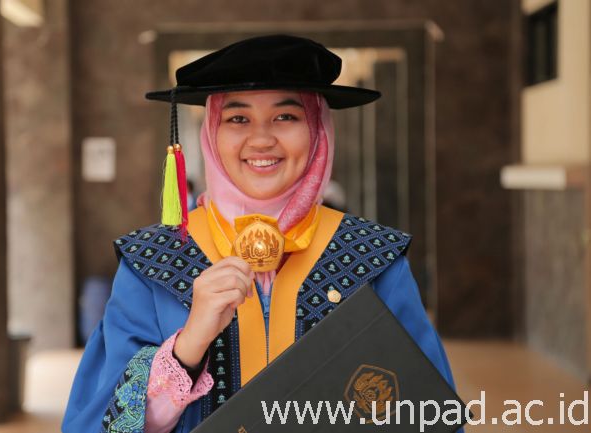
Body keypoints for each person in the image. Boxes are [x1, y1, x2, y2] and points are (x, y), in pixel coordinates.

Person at [62, 34, 460, 433]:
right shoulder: (152, 262)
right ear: (212, 133)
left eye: (286, 116)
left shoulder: (372, 257)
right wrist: (187, 348)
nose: (262, 139)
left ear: (317, 130)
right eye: (238, 118)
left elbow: (427, 412)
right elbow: (98, 423)